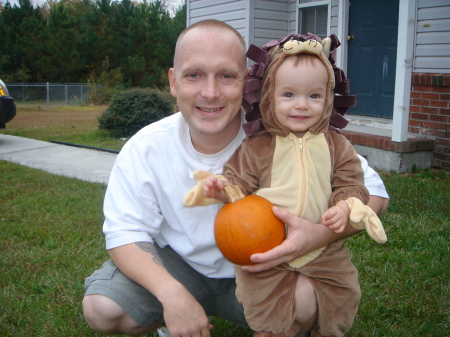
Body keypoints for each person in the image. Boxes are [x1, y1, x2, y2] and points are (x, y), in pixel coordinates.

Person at [82, 20, 389, 337]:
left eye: (226, 76)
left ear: (247, 81)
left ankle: (282, 324)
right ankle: (181, 312)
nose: (210, 92)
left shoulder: (283, 131)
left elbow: (376, 195)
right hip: (181, 267)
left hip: (270, 268)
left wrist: (318, 235)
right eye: (194, 75)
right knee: (103, 308)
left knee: (306, 302)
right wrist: (171, 295)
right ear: (173, 82)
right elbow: (124, 233)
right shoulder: (146, 147)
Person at [186, 33, 387, 337]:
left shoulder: (336, 145)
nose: (302, 106)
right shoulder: (258, 146)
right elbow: (238, 178)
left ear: (328, 97)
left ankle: (327, 330)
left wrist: (346, 205)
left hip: (324, 247)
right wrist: (222, 188)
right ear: (269, 95)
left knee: (341, 293)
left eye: (314, 96)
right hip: (266, 246)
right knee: (266, 304)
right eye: (289, 95)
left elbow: (351, 180)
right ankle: (271, 331)